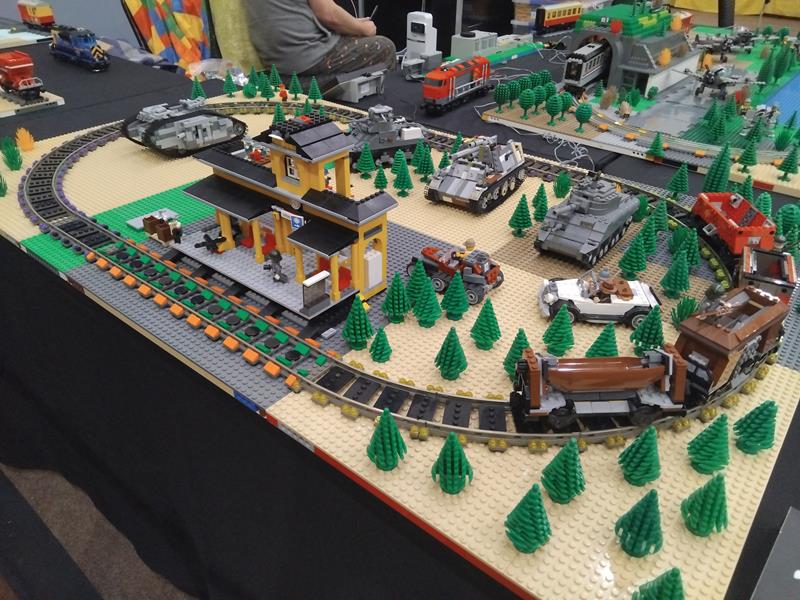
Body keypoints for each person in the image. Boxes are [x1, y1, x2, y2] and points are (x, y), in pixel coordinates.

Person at [243, 0, 396, 90]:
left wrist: (353, 24)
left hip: (274, 58)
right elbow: (329, 15)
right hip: (306, 56)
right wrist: (363, 29)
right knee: (383, 47)